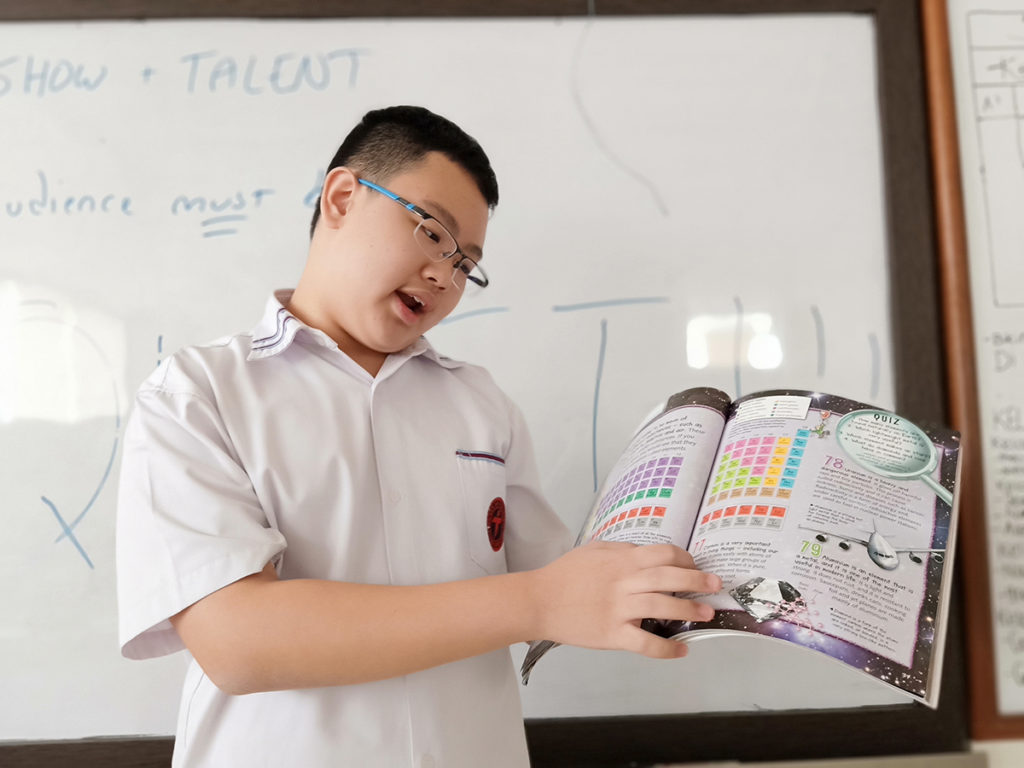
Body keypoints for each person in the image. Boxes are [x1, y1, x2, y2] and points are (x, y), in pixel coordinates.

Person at [116, 105, 721, 768]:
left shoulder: (482, 403)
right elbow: (238, 641)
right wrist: (538, 601)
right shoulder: (199, 392)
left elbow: (564, 585)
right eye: (433, 233)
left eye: (467, 263)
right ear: (343, 197)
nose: (445, 274)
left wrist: (694, 555)